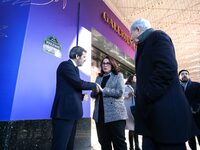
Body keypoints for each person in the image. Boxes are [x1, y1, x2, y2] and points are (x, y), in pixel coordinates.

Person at [130, 18, 199, 150]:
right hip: (152, 119)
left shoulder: (158, 36)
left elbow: (167, 68)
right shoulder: (144, 45)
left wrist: (146, 94)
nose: (131, 38)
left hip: (166, 117)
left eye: (131, 33)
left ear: (138, 30)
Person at [50, 46, 98, 150]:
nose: (85, 59)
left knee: (69, 146)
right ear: (77, 56)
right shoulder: (65, 65)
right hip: (63, 113)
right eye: (84, 57)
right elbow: (78, 83)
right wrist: (95, 85)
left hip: (71, 114)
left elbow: (70, 87)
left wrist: (80, 96)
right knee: (60, 145)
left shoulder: (74, 68)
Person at [91, 55, 128, 150]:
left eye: (107, 63)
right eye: (103, 63)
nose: (105, 65)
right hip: (100, 116)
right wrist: (95, 91)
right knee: (104, 144)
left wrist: (104, 90)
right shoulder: (99, 78)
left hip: (116, 115)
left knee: (119, 144)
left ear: (112, 64)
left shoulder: (118, 76)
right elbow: (93, 95)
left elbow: (120, 92)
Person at [179, 69, 200, 150]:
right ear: (179, 77)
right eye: (182, 74)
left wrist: (196, 106)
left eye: (186, 73)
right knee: (190, 138)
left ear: (189, 76)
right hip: (185, 117)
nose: (184, 75)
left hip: (197, 115)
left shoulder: (197, 85)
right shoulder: (176, 88)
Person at [123, 74, 140, 150]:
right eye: (135, 77)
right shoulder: (126, 86)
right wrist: (128, 94)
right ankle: (131, 147)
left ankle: (137, 146)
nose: (136, 78)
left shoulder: (139, 85)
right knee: (131, 128)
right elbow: (122, 94)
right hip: (129, 109)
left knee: (136, 128)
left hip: (138, 108)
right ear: (131, 77)